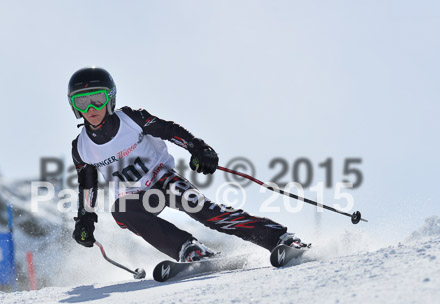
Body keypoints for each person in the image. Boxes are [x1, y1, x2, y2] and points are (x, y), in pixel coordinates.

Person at [69, 66, 305, 263]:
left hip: (163, 179)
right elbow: (87, 187)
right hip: (138, 196)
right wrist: (85, 219)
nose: (91, 109)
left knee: (204, 211)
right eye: (82, 102)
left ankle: (279, 238)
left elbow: (169, 130)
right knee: (121, 211)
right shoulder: (81, 148)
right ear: (73, 106)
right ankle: (187, 249)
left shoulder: (131, 119)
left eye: (97, 100)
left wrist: (198, 148)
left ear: (110, 98)